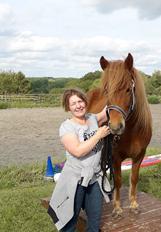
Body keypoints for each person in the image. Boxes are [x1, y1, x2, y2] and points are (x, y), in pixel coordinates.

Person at [48, 88, 111, 232]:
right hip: (75, 180)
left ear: (85, 101)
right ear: (68, 107)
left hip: (94, 180)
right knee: (69, 223)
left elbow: (110, 109)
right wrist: (98, 135)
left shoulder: (93, 118)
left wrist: (117, 89)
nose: (78, 106)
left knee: (94, 224)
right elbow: (78, 151)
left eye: (80, 101)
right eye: (73, 103)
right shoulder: (67, 127)